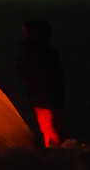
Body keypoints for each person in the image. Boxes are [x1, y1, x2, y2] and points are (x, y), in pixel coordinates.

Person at [17, 19, 65, 147]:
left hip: (43, 98)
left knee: (49, 128)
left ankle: (55, 154)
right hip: (43, 97)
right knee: (49, 127)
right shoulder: (45, 52)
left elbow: (40, 75)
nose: (24, 34)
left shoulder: (37, 53)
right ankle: (54, 151)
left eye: (26, 32)